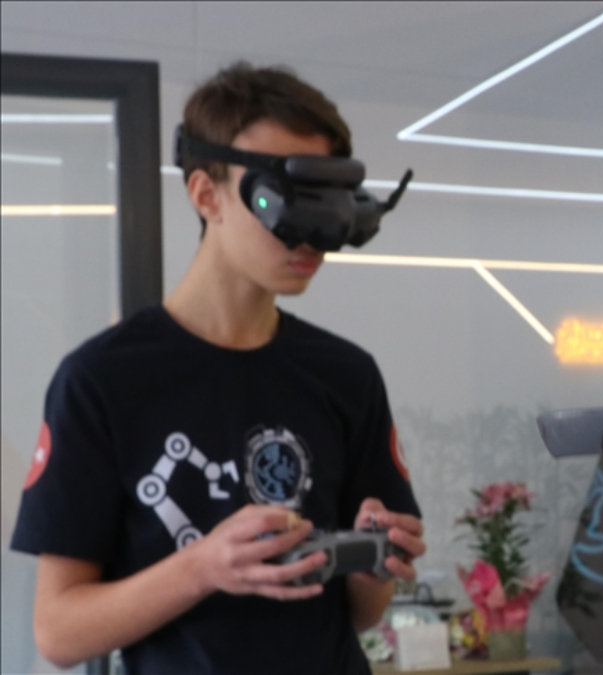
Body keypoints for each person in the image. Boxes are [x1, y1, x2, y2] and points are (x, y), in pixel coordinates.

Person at [9, 62, 425, 674]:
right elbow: (59, 633)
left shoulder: (345, 375)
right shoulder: (102, 380)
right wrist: (203, 567)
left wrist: (372, 564)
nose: (312, 235)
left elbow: (360, 615)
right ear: (207, 195)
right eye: (289, 199)